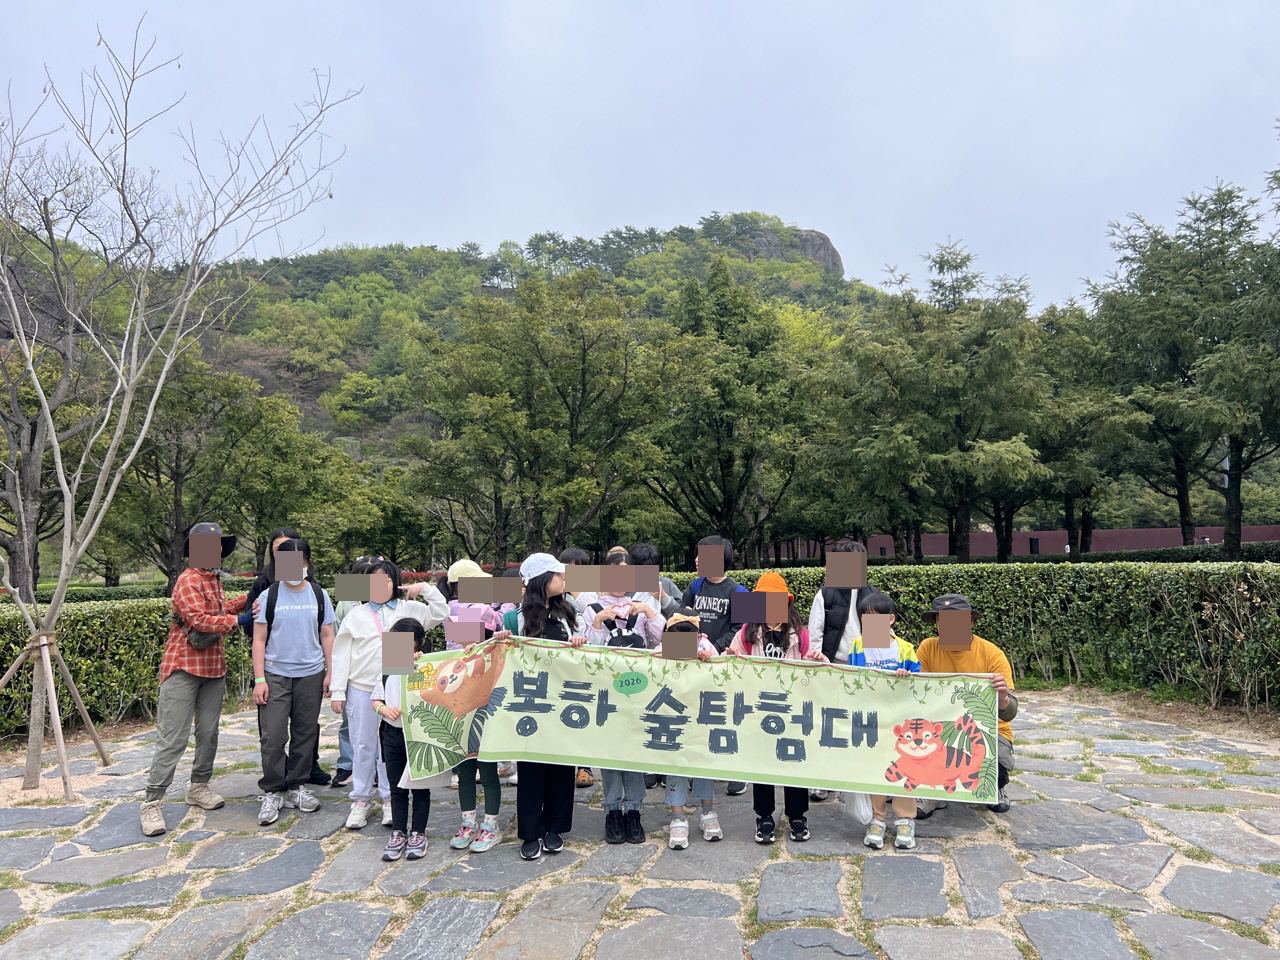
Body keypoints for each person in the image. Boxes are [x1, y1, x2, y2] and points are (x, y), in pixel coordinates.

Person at [140, 522, 248, 837]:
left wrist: (246, 600)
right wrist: (239, 620)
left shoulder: (214, 579)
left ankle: (198, 786)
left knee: (209, 733)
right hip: (183, 668)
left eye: (217, 546)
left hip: (213, 668)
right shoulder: (188, 579)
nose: (214, 551)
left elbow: (216, 612)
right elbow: (199, 620)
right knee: (173, 738)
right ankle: (152, 802)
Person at [331, 558, 449, 830]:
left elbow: (441, 612)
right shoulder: (356, 615)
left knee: (390, 749)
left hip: (396, 689)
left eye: (385, 579)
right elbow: (341, 653)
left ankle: (389, 799)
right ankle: (360, 799)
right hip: (361, 688)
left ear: (394, 582)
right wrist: (338, 690)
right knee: (362, 745)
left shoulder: (410, 609)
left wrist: (425, 588)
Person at [728, 571, 828, 844]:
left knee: (794, 762)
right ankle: (764, 817)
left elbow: (814, 672)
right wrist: (730, 657)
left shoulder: (800, 635)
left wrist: (819, 660)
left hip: (792, 710)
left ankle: (798, 816)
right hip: (759, 709)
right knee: (762, 764)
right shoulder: (746, 633)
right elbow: (732, 665)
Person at [252, 538, 335, 826]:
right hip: (275, 674)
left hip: (311, 673)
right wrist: (259, 679)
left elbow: (327, 635)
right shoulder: (269, 596)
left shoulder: (319, 594)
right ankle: (273, 790)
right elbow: (259, 639)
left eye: (298, 561)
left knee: (305, 732)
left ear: (307, 563)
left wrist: (331, 671)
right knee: (273, 735)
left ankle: (297, 785)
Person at [584, 553, 665, 844]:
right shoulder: (591, 608)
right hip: (606, 691)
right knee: (609, 750)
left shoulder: (642, 606)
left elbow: (663, 640)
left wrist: (650, 612)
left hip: (638, 691)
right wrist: (597, 622)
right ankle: (612, 811)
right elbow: (586, 652)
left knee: (632, 749)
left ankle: (633, 810)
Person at [914, 593, 1018, 816]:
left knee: (998, 767)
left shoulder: (992, 654)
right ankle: (933, 792)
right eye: (943, 620)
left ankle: (996, 786)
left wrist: (1002, 698)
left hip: (988, 730)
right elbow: (917, 696)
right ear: (936, 624)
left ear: (970, 621)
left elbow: (1009, 713)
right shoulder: (927, 648)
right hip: (942, 727)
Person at [513, 553, 588, 860]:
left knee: (560, 764)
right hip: (530, 700)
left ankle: (555, 828)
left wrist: (580, 643)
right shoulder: (517, 616)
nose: (563, 579)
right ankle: (531, 831)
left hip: (564, 698)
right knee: (531, 766)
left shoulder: (570, 611)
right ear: (543, 580)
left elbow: (588, 645)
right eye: (558, 575)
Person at [443, 563, 509, 853]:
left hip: (457, 696)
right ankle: (488, 825)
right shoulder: (482, 610)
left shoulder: (449, 609)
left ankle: (470, 823)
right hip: (482, 695)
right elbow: (482, 642)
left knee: (466, 768)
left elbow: (463, 645)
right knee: (486, 767)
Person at [679, 535, 751, 795]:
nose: (697, 560)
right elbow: (681, 620)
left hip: (724, 665)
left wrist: (714, 649)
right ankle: (699, 770)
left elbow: (742, 630)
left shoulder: (740, 592)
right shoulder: (695, 586)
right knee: (698, 717)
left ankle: (736, 770)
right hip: (695, 664)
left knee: (729, 717)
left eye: (703, 555)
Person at [851, 590, 922, 851]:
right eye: (864, 619)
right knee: (876, 767)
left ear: (890, 619)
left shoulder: (905, 648)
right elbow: (851, 679)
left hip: (901, 720)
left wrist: (907, 676)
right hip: (872, 719)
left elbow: (920, 682)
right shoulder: (857, 646)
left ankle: (905, 820)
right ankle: (877, 818)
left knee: (906, 767)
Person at [654, 608, 723, 849]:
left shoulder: (706, 647)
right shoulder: (660, 651)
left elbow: (721, 675)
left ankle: (708, 812)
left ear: (698, 636)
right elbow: (651, 669)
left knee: (703, 763)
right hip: (671, 717)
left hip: (701, 717)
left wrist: (708, 661)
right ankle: (677, 817)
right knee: (676, 765)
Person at [372, 617, 434, 861]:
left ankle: (418, 832)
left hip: (417, 734)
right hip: (392, 734)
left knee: (420, 788)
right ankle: (398, 832)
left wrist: (421, 664)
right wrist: (384, 710)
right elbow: (376, 700)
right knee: (396, 787)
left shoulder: (425, 666)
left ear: (417, 643)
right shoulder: (388, 667)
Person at [557, 546, 596, 790]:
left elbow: (593, 625)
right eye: (569, 569)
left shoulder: (590, 594)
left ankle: (585, 766)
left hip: (584, 662)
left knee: (583, 710)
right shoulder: (555, 593)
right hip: (559, 665)